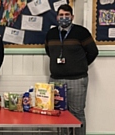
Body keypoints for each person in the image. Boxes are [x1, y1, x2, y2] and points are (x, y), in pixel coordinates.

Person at [45, 4, 98, 135]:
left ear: (72, 17)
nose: (64, 18)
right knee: (60, 114)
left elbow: (93, 52)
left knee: (77, 113)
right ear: (57, 17)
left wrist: (80, 65)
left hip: (77, 80)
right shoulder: (51, 33)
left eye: (67, 15)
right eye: (61, 15)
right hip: (56, 80)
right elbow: (49, 51)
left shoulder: (81, 32)